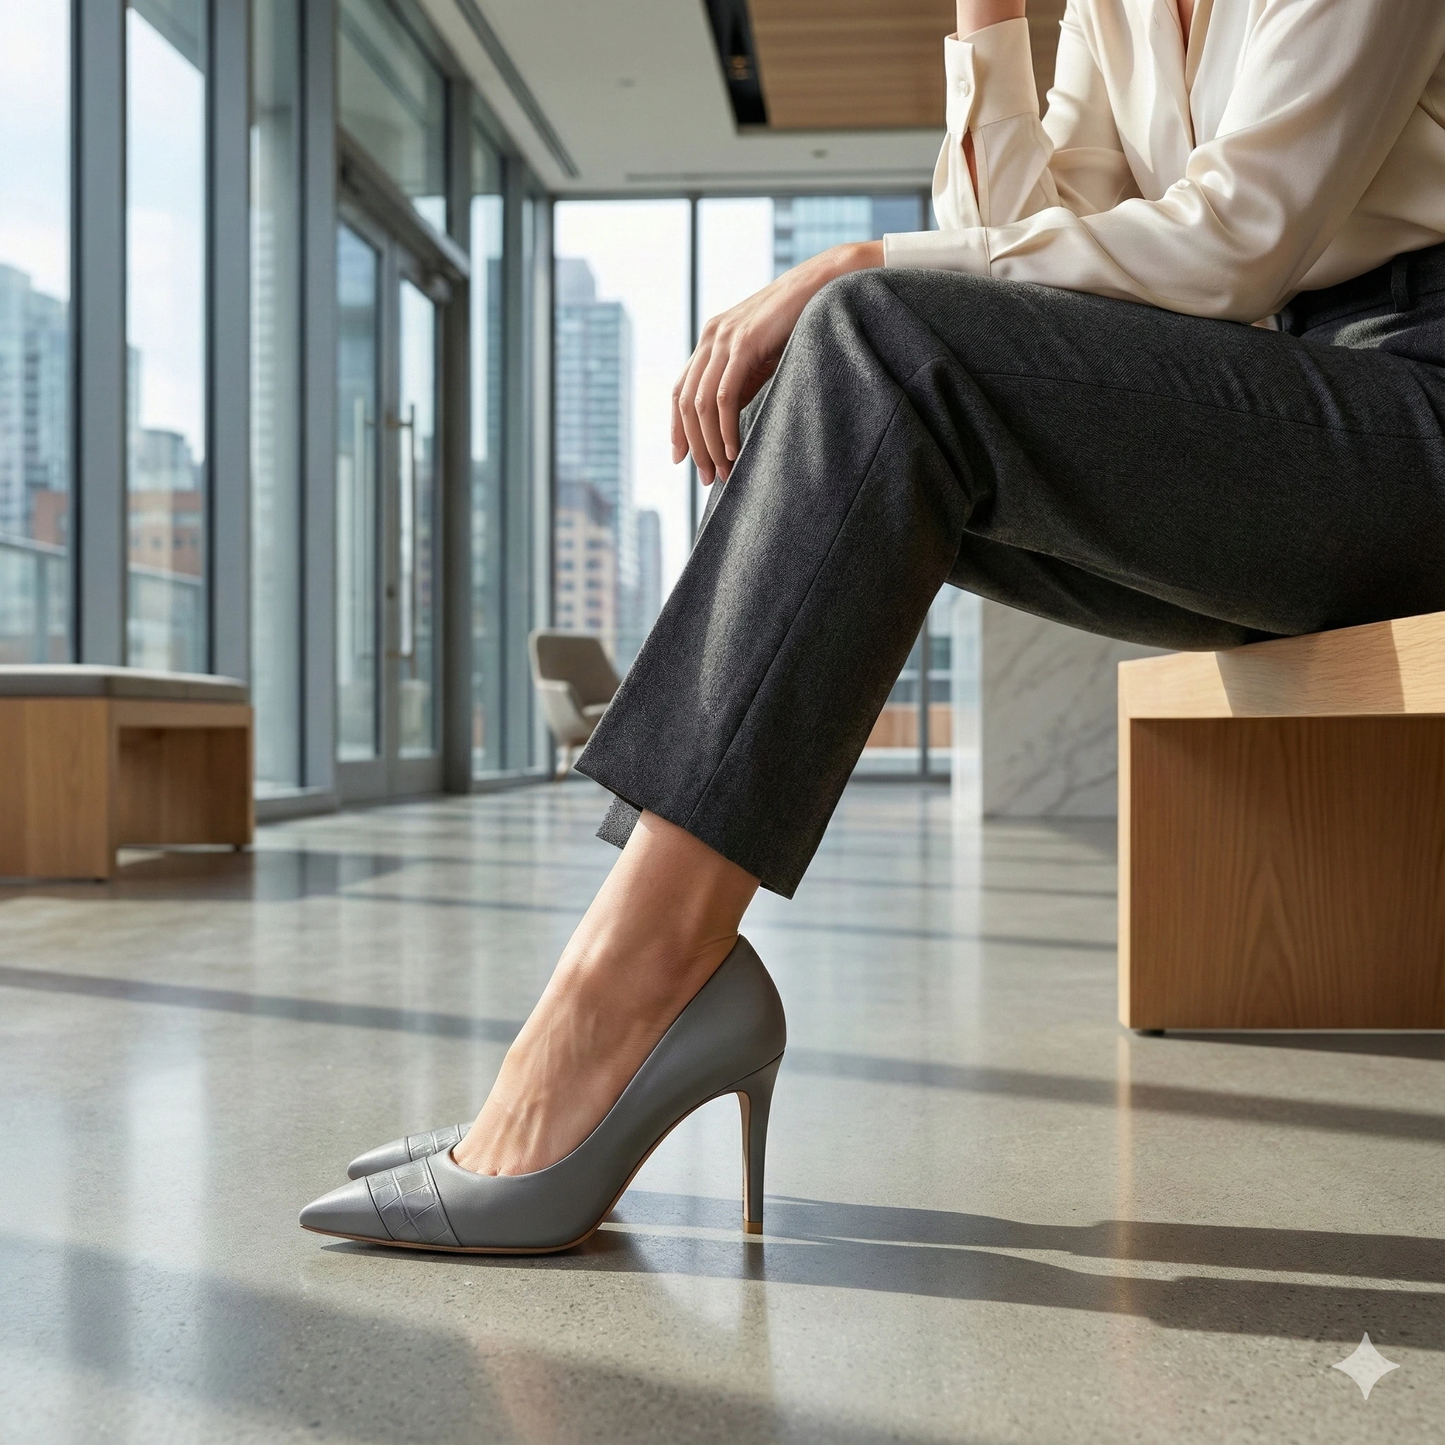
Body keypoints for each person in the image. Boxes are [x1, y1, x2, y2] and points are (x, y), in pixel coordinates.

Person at [301, 0, 1445, 1252]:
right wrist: (992, 25)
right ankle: (646, 962)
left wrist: (858, 266)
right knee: (874, 398)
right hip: (1282, 427)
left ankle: (629, 984)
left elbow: (1236, 240)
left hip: (1410, 416)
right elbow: (1012, 244)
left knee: (875, 336)